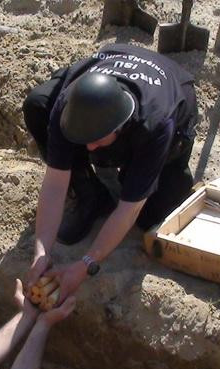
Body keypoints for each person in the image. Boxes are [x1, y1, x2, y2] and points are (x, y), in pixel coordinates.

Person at [22, 43, 199, 300]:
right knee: (37, 104)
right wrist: (41, 251)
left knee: (151, 215)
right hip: (117, 57)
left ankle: (163, 176)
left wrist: (85, 264)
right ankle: (90, 194)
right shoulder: (69, 106)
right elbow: (55, 183)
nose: (88, 147)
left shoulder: (156, 123)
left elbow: (129, 209)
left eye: (96, 139)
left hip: (171, 95)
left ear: (120, 126)